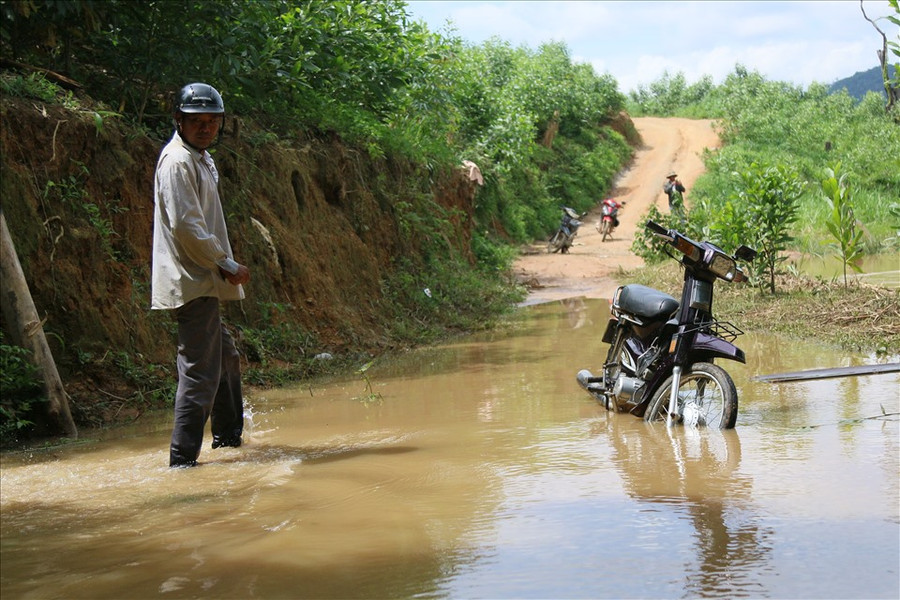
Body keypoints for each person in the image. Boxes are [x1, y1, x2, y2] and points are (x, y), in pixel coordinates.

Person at [151, 82, 250, 467]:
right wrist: (224, 262)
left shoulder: (200, 157)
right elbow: (187, 227)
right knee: (200, 374)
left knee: (225, 359)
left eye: (212, 121)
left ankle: (228, 441)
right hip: (192, 279)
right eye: (197, 121)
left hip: (202, 277)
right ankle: (182, 464)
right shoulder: (177, 162)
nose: (206, 127)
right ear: (179, 119)